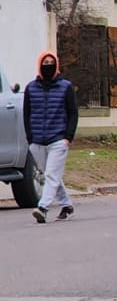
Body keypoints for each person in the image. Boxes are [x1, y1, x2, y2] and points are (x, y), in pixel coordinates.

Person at [22, 50, 78, 223]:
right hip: (37, 140)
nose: (48, 65)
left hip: (58, 139)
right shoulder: (31, 88)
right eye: (44, 63)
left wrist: (68, 137)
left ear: (57, 65)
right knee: (50, 174)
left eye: (51, 62)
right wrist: (30, 138)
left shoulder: (65, 87)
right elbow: (26, 113)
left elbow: (73, 113)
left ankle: (43, 208)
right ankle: (66, 205)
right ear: (40, 66)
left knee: (51, 175)